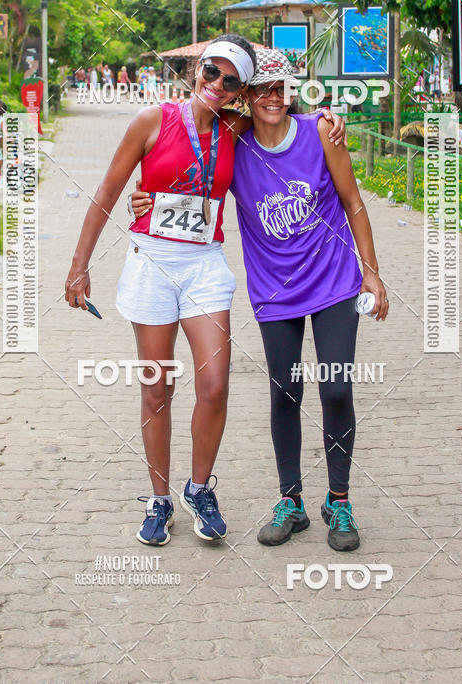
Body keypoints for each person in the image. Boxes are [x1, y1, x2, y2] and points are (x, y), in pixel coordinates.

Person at [65, 35, 346, 548]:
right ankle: (158, 500)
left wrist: (327, 113)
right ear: (198, 70)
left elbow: (283, 116)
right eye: (212, 72)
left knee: (214, 384)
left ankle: (199, 489)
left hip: (203, 267)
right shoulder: (151, 121)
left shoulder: (236, 127)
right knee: (157, 387)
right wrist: (79, 267)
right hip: (152, 264)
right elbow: (108, 192)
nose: (217, 84)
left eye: (231, 80)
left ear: (240, 91)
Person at [132, 48, 387, 552]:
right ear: (246, 97)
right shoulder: (235, 139)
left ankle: (339, 500)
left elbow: (354, 203)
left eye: (282, 89)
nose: (273, 97)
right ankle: (290, 501)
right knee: (285, 392)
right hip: (275, 292)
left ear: (292, 93)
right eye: (262, 89)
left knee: (335, 387)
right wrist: (147, 198)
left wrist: (372, 275)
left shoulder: (319, 132)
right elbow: (189, 164)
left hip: (335, 282)